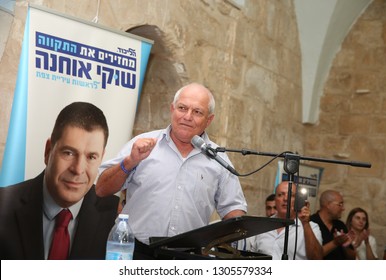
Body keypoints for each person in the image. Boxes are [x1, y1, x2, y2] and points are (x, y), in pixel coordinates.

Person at [96, 83, 247, 254]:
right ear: (172, 109)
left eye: (197, 112)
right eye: (182, 108)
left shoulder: (218, 159)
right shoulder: (142, 144)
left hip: (190, 257)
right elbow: (101, 189)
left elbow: (234, 213)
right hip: (138, 253)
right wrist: (130, 161)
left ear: (209, 120)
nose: (187, 116)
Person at [0, 102, 119, 260]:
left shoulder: (116, 218)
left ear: (101, 158)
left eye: (91, 157)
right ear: (48, 151)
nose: (78, 169)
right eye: (69, 153)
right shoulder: (3, 206)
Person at [251, 181, 323, 260]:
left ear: (297, 200)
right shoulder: (263, 225)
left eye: (291, 195)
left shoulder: (311, 227)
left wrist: (305, 223)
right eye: (280, 195)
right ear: (275, 199)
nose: (285, 199)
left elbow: (317, 258)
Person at [310, 189, 355, 260]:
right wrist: (335, 243)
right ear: (328, 205)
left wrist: (345, 246)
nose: (343, 208)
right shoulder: (310, 223)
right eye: (340, 204)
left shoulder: (340, 225)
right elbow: (313, 256)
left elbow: (352, 258)